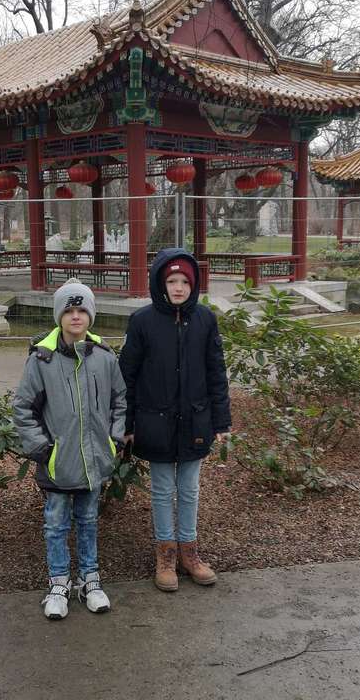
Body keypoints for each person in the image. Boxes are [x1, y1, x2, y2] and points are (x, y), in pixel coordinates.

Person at [119, 248, 231, 592]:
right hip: (155, 421)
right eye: (171, 281)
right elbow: (127, 376)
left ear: (193, 285)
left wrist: (221, 421)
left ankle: (189, 552)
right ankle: (165, 554)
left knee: (190, 489)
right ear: (160, 284)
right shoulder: (142, 322)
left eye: (185, 281)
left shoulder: (205, 320)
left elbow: (216, 372)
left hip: (195, 419)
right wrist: (127, 425)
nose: (178, 287)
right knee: (163, 489)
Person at [13, 278, 126, 619]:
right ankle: (58, 582)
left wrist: (114, 440)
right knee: (56, 525)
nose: (76, 316)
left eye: (82, 310)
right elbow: (24, 408)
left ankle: (90, 579)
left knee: (89, 521)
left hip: (94, 459)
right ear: (59, 316)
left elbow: (120, 401)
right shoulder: (42, 359)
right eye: (69, 311)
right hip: (58, 462)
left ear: (90, 315)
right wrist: (43, 450)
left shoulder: (104, 357)